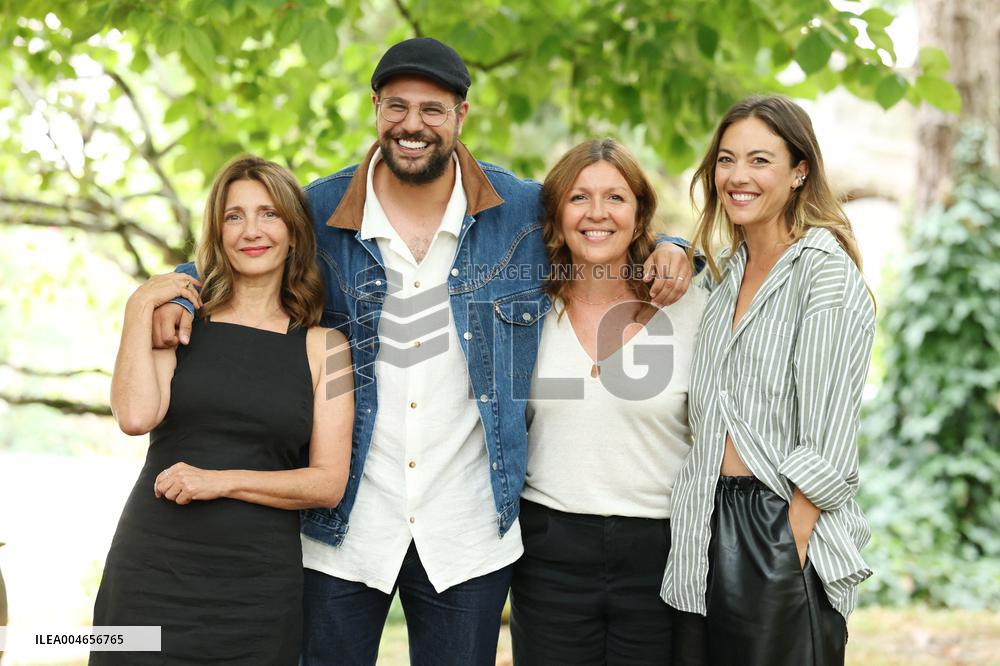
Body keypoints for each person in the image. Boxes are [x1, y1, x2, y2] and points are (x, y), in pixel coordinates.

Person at [154, 38, 694, 665]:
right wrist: (179, 296)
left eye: (433, 109)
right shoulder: (320, 210)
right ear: (376, 110)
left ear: (461, 116)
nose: (413, 124)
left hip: (466, 531)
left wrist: (677, 246)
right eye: (397, 107)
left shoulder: (520, 211)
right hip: (344, 529)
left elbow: (607, 226)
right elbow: (234, 249)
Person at [91, 156, 354, 665]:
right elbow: (134, 417)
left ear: (295, 232)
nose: (251, 231)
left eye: (268, 214)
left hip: (257, 592)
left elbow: (327, 483)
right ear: (217, 231)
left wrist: (218, 481)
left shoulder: (331, 349)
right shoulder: (179, 325)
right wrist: (138, 307)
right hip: (149, 572)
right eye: (234, 216)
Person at [661, 95, 875, 666]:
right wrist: (673, 244)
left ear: (799, 170)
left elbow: (829, 436)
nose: (737, 176)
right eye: (727, 160)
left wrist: (790, 543)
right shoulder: (727, 275)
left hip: (775, 523)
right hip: (700, 522)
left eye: (760, 160)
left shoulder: (824, 273)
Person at [509, 139, 706, 665]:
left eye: (615, 198)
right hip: (549, 548)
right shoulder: (525, 309)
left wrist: (678, 245)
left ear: (640, 212)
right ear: (556, 213)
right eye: (579, 198)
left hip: (660, 552)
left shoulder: (691, 305)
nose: (597, 213)